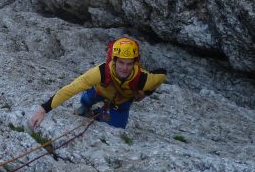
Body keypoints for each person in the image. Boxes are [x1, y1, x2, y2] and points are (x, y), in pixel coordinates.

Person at [28, 37, 166, 130]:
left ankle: (98, 113)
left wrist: (146, 92)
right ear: (114, 60)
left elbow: (161, 75)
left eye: (129, 64)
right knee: (86, 99)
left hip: (121, 102)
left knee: (116, 129)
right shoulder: (101, 72)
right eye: (121, 63)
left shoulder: (142, 78)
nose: (125, 68)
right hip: (100, 91)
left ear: (135, 63)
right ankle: (87, 105)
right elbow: (71, 89)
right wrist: (43, 110)